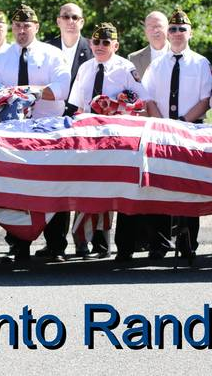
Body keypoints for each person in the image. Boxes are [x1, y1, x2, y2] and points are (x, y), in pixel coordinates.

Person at [0, 3, 70, 263]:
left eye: (27, 26)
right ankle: (18, 245)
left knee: (55, 187)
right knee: (16, 191)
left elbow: (62, 90)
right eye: (18, 26)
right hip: (12, 133)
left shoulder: (53, 55)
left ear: (37, 27)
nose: (22, 30)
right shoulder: (0, 59)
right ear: (12, 28)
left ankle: (56, 245)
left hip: (48, 130)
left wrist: (28, 91)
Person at [68, 22, 153, 261]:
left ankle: (105, 244)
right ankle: (81, 243)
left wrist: (119, 109)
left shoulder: (126, 68)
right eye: (96, 42)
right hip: (87, 137)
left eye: (106, 43)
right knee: (85, 188)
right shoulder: (85, 68)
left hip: (115, 140)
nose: (100, 46)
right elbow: (78, 105)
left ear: (115, 45)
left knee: (110, 189)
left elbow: (141, 102)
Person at [141, 8, 212, 259]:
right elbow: (147, 97)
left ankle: (187, 241)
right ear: (167, 33)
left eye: (182, 29)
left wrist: (182, 122)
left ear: (190, 32)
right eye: (173, 29)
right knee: (158, 186)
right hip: (161, 131)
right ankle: (159, 243)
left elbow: (206, 100)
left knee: (189, 187)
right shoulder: (157, 64)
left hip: (190, 130)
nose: (177, 33)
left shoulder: (201, 63)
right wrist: (162, 124)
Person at [42, 2, 97, 259]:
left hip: (81, 123)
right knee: (55, 185)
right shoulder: (46, 49)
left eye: (76, 17)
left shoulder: (93, 48)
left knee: (82, 184)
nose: (71, 21)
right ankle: (54, 244)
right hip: (50, 123)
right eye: (66, 16)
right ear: (58, 21)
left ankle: (83, 241)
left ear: (82, 21)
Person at [128, 11, 170, 79]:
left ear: (168, 29)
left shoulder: (181, 56)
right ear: (145, 31)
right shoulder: (133, 59)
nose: (155, 30)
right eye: (150, 26)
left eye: (159, 26)